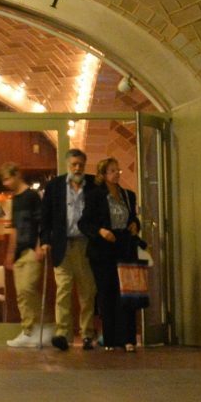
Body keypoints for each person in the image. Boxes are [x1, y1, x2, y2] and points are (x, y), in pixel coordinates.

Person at [40, 146, 106, 350]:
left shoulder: (94, 186)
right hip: (63, 245)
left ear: (85, 166)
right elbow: (46, 216)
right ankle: (63, 333)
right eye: (74, 165)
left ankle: (87, 334)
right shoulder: (55, 186)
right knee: (63, 290)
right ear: (67, 165)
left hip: (86, 245)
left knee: (87, 292)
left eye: (81, 165)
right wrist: (45, 240)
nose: (77, 168)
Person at [88, 157, 144, 351]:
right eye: (112, 171)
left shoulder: (128, 195)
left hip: (124, 245)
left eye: (118, 170)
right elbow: (85, 222)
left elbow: (134, 218)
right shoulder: (96, 196)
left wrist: (135, 225)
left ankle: (128, 338)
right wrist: (101, 231)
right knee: (107, 292)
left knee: (127, 293)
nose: (116, 173)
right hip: (104, 248)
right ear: (103, 175)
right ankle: (111, 338)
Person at [0, 164, 49, 348]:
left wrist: (39, 246)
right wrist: (10, 253)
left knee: (28, 288)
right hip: (19, 252)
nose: (6, 183)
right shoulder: (15, 199)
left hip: (31, 249)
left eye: (7, 179)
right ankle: (30, 328)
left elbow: (41, 222)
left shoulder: (32, 196)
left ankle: (37, 326)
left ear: (17, 175)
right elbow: (14, 228)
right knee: (21, 293)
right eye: (3, 180)